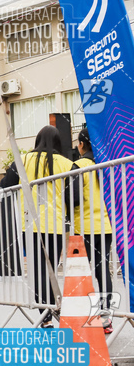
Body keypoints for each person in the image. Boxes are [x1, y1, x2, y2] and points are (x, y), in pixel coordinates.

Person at [0, 125, 73, 326]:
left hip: (28, 225)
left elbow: (4, 187)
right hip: (55, 226)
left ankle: (46, 315)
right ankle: (52, 308)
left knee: (37, 270)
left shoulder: (21, 162)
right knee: (50, 270)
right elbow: (74, 199)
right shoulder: (67, 164)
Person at [71, 127, 115, 334]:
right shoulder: (106, 164)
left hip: (85, 227)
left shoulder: (79, 165)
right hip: (105, 227)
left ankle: (85, 317)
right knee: (102, 269)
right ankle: (107, 317)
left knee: (82, 273)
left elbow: (74, 198)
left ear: (81, 144)